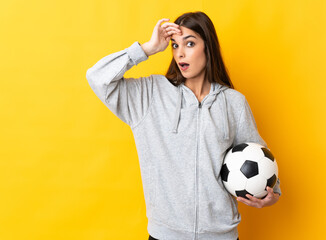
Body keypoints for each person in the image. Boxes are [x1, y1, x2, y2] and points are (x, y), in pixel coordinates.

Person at [86, 11, 281, 240]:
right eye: (175, 46)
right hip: (166, 235)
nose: (180, 53)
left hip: (221, 235)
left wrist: (273, 192)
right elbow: (97, 77)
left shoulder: (233, 102)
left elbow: (258, 154)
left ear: (208, 48)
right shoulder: (150, 94)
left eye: (189, 43)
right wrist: (147, 48)